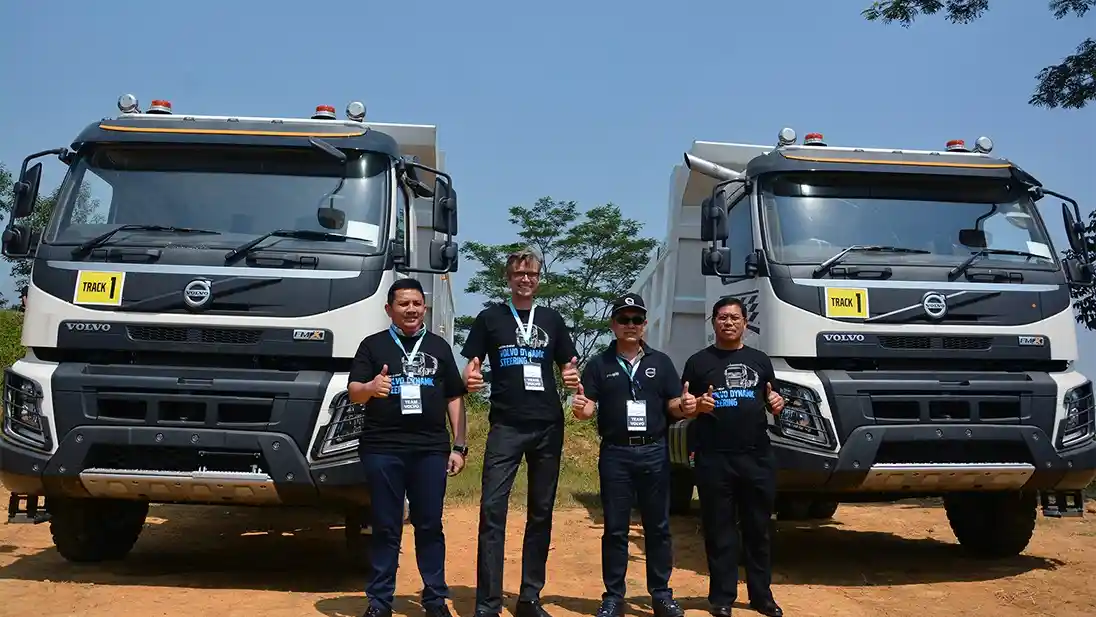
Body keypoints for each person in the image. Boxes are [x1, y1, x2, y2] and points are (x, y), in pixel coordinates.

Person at [461, 247, 581, 617]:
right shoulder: (490, 318)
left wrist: (571, 376)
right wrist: (470, 376)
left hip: (548, 426)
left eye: (532, 274)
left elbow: (568, 365)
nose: (525, 279)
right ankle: (488, 603)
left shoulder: (552, 319)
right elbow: (472, 365)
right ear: (508, 278)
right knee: (492, 509)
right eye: (519, 274)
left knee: (540, 512)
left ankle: (530, 597)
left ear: (539, 280)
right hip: (506, 425)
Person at [347, 277, 469, 617]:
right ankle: (379, 602)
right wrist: (371, 387)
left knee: (429, 525)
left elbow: (454, 397)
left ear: (424, 308)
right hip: (382, 449)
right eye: (403, 304)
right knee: (386, 526)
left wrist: (459, 446)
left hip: (430, 450)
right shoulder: (372, 346)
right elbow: (354, 392)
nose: (411, 309)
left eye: (417, 303)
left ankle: (434, 599)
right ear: (389, 309)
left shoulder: (439, 347)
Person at [570, 293, 686, 617]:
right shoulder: (599, 364)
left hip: (653, 451)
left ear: (644, 325)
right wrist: (580, 409)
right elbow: (588, 407)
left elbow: (673, 405)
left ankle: (661, 595)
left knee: (658, 527)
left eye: (636, 319)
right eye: (624, 319)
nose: (630, 325)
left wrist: (686, 406)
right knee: (615, 528)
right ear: (614, 325)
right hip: (616, 453)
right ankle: (613, 597)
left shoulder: (661, 363)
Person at [679, 297, 786, 617]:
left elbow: (772, 399)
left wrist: (778, 403)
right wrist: (695, 406)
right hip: (714, 458)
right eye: (722, 317)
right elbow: (685, 406)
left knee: (758, 528)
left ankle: (761, 596)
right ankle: (721, 597)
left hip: (756, 457)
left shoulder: (760, 360)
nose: (729, 323)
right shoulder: (698, 362)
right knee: (719, 530)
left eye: (735, 318)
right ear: (713, 322)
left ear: (745, 323)